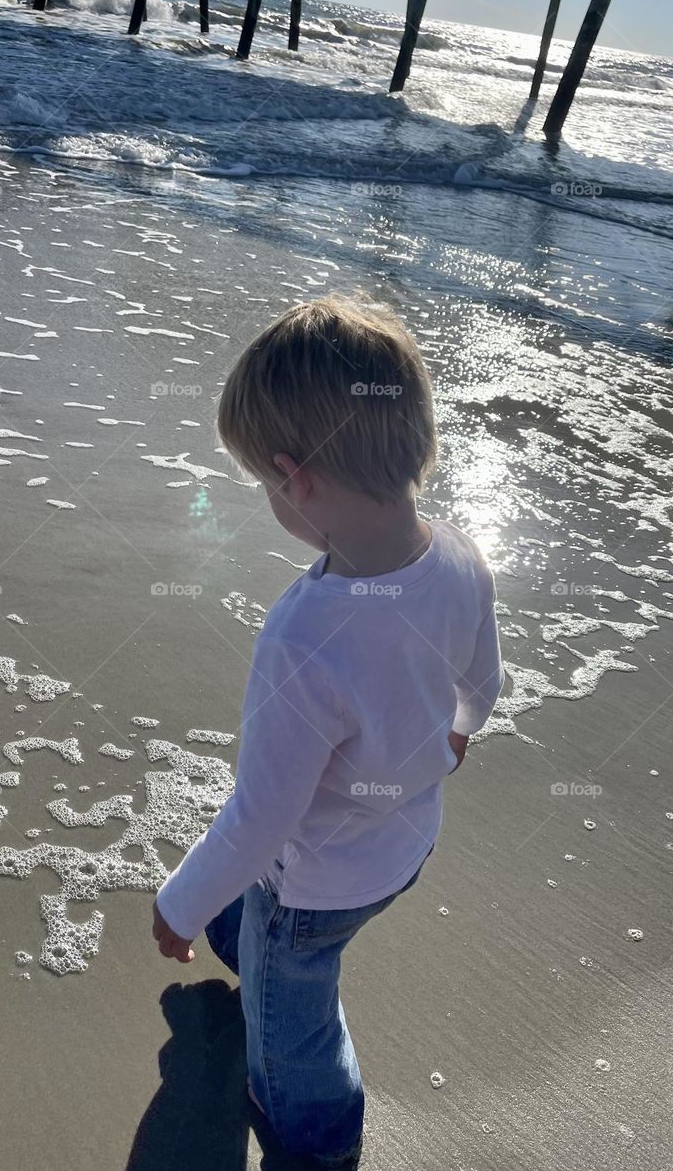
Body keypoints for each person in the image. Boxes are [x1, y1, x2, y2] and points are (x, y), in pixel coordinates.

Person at [151, 295, 504, 1168]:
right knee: (270, 930)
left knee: (296, 1040)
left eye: (266, 484)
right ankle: (243, 939)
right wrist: (458, 732)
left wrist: (179, 904)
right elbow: (483, 681)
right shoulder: (460, 553)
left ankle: (320, 1143)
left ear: (295, 477)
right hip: (405, 844)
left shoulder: (305, 637)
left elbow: (263, 819)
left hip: (314, 893)